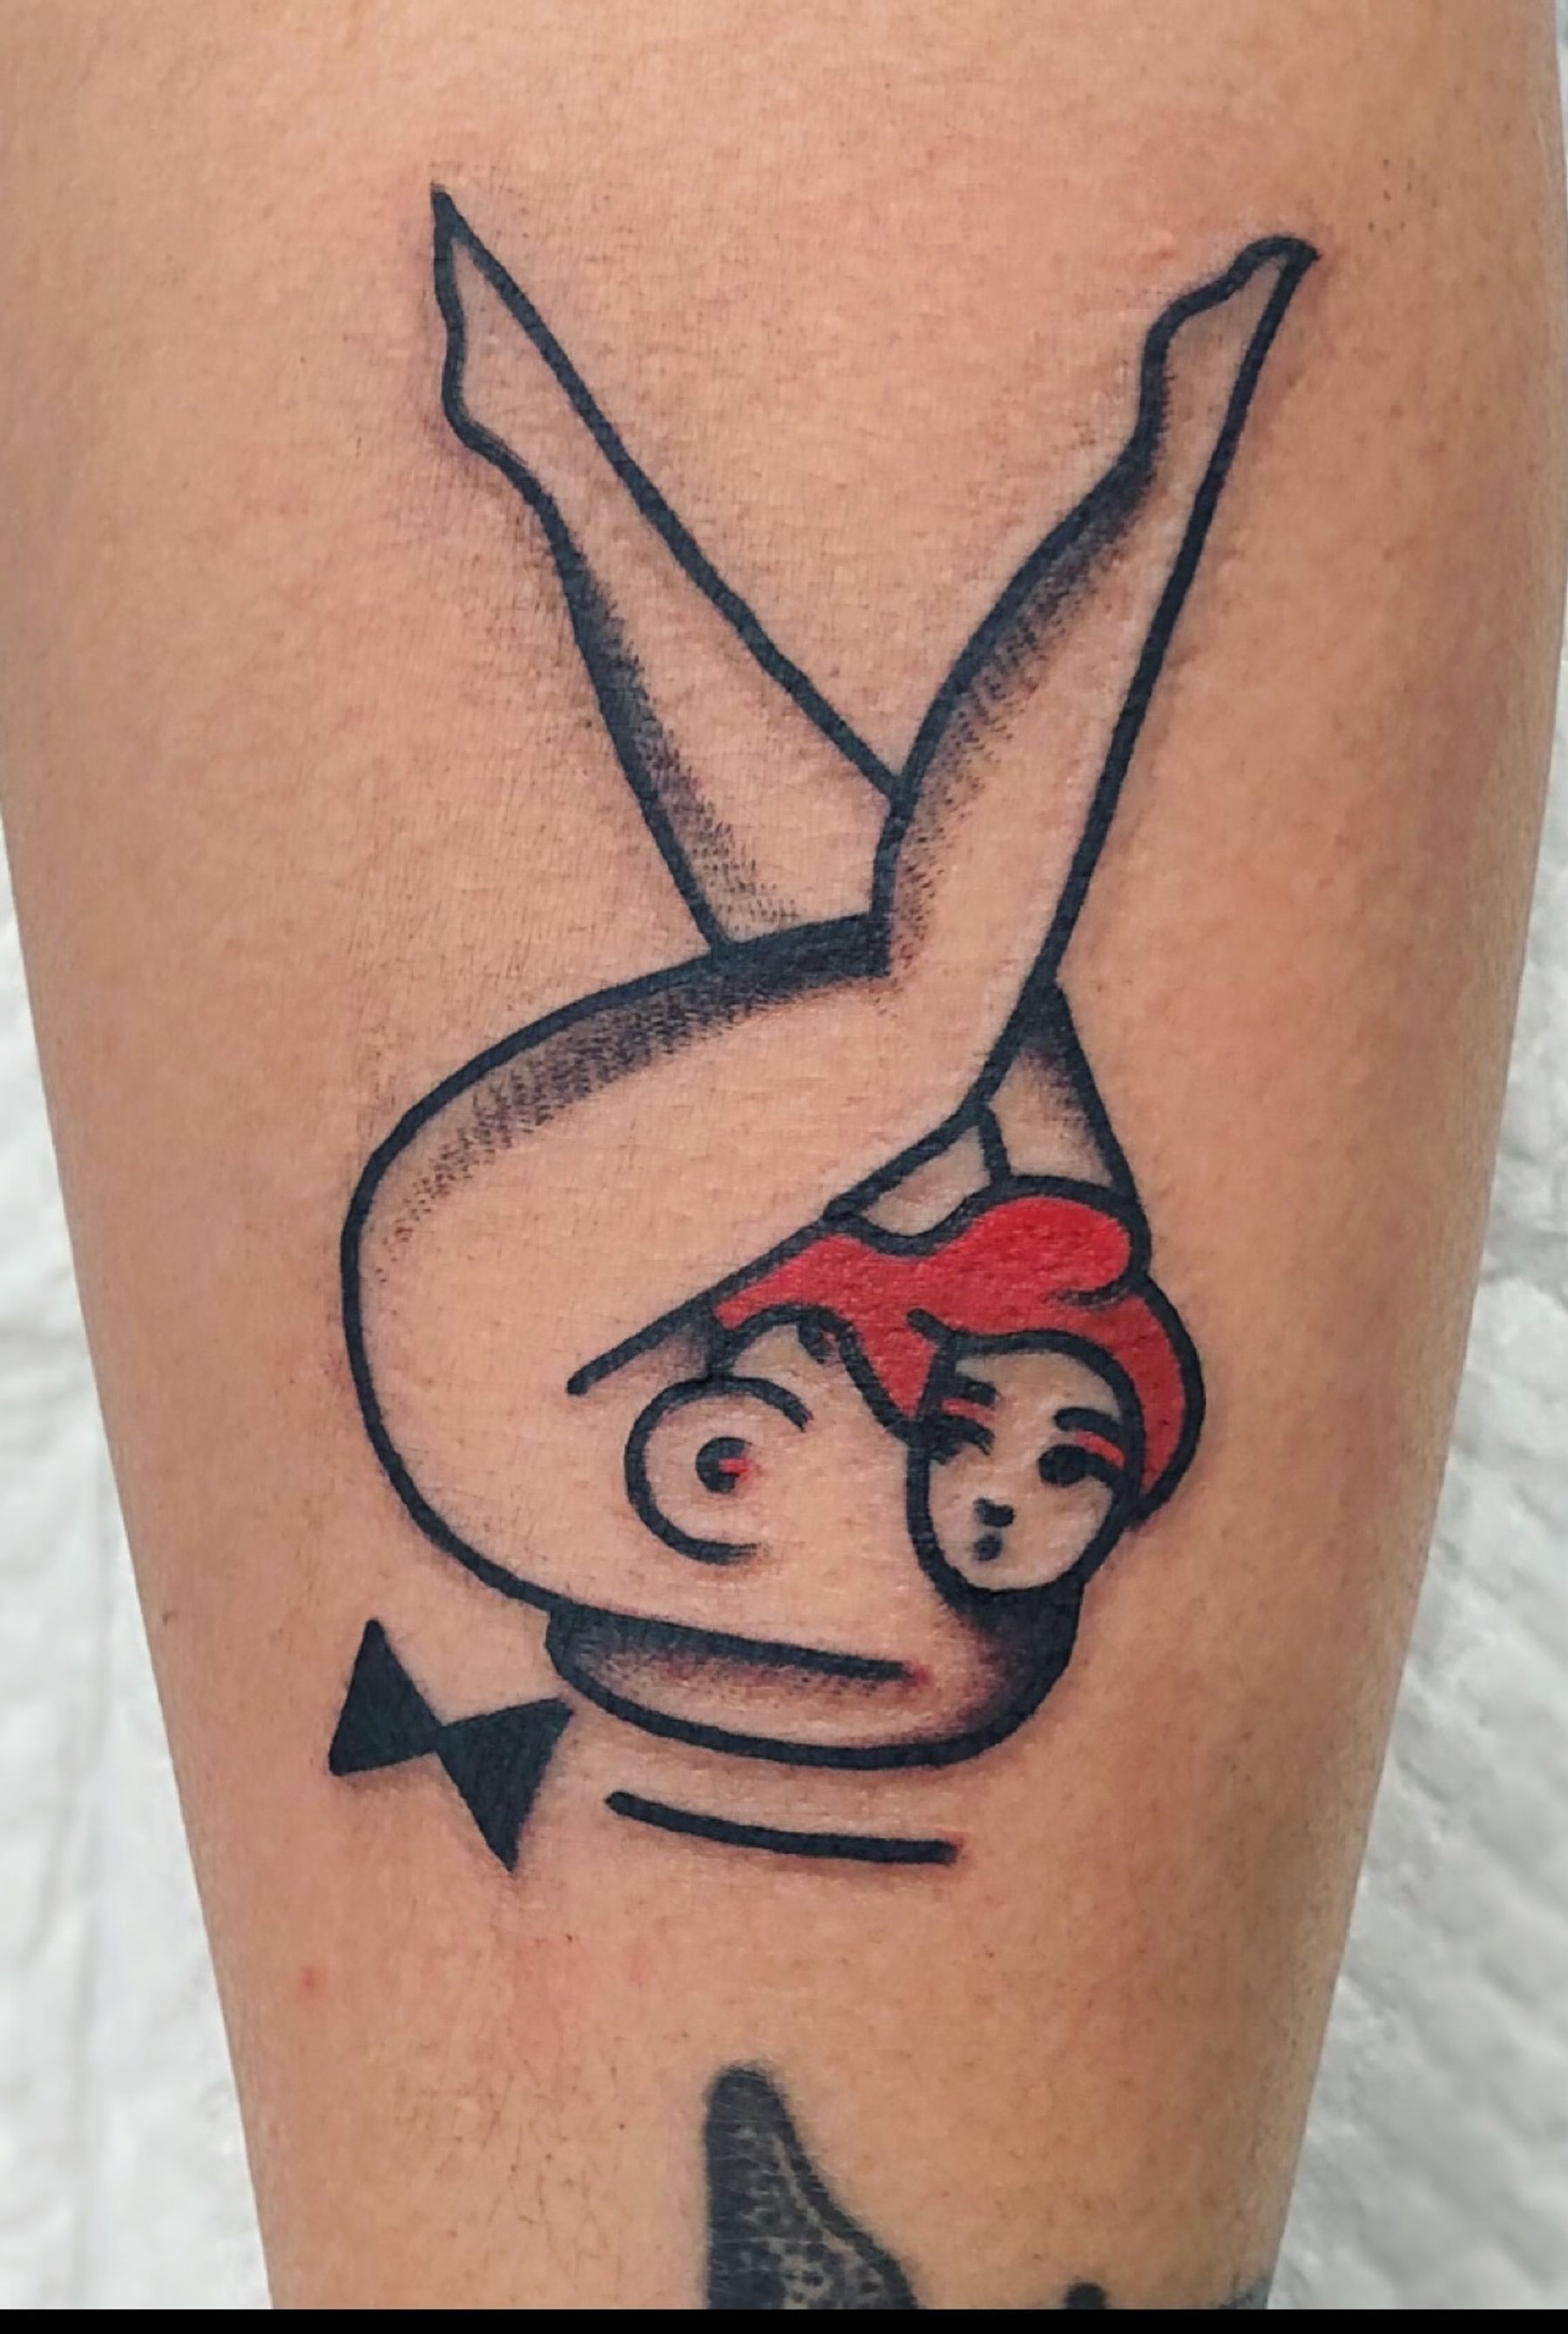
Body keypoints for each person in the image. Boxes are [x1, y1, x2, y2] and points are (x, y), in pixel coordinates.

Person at [0, 2, 1562, 2309]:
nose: (994, 1464)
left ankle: (1144, 462)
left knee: (918, 995)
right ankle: (594, 460)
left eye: (983, 1499)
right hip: (554, 1356)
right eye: (1048, 1459)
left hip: (499, 1329)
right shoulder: (1000, 1297)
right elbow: (823, 897)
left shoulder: (856, 1566)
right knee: (893, 976)